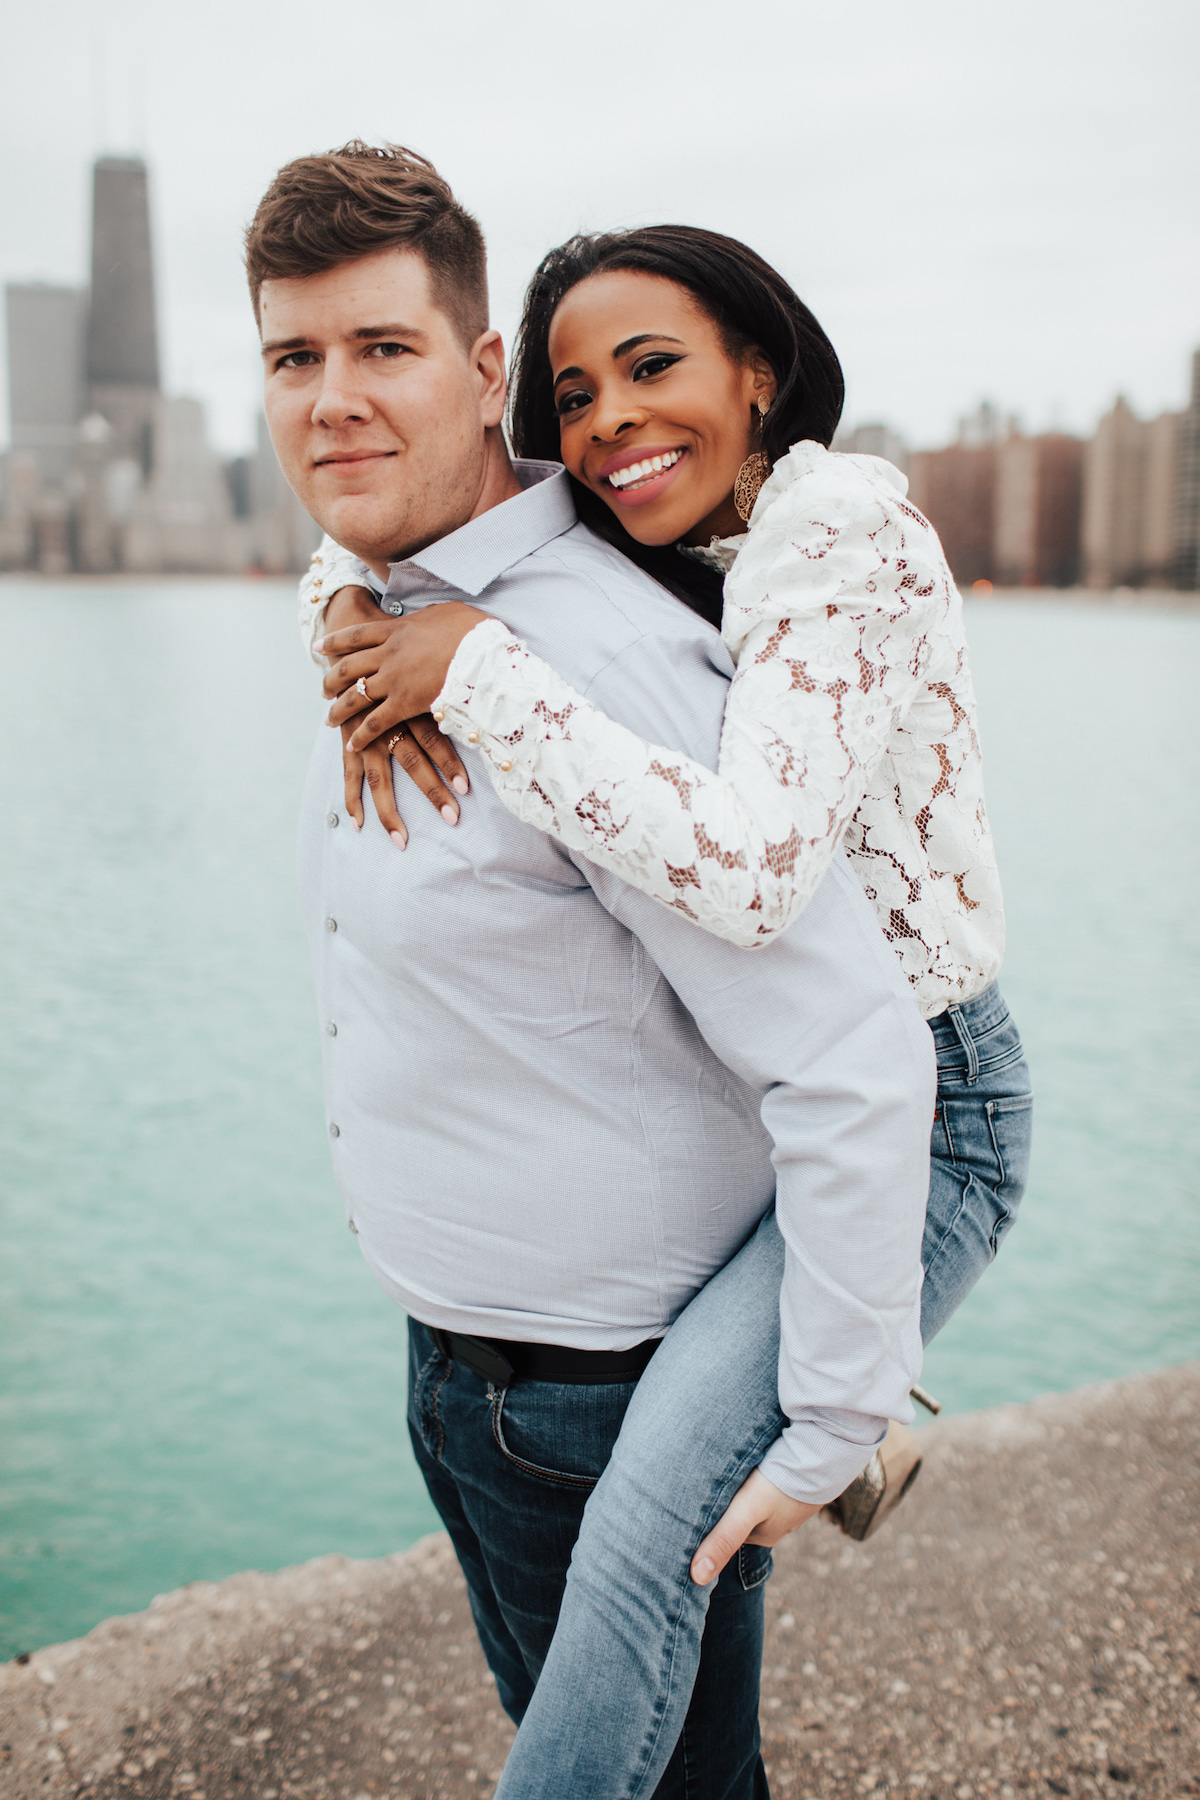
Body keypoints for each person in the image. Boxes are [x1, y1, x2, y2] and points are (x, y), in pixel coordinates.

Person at [304, 222, 1034, 1798]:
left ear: (759, 369)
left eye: (652, 368)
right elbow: (387, 533)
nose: (610, 420)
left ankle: (850, 1408)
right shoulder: (670, 528)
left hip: (936, 1092)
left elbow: (757, 874)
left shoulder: (833, 528)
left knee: (648, 1552)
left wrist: (480, 671)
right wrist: (355, 623)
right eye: (575, 395)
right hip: (813, 1100)